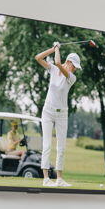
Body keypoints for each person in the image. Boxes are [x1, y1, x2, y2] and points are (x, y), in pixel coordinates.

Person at [36, 43, 81, 188]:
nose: (74, 69)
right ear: (68, 62)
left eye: (75, 67)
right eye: (73, 65)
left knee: (61, 147)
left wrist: (57, 49)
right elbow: (38, 58)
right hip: (47, 112)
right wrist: (52, 48)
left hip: (62, 114)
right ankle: (46, 179)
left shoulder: (72, 77)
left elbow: (57, 61)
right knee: (47, 145)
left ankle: (59, 179)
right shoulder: (53, 70)